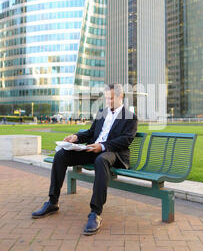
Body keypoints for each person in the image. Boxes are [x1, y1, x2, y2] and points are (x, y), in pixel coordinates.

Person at [32, 83, 138, 236]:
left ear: (121, 97)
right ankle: (52, 202)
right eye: (107, 98)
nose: (108, 101)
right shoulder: (102, 113)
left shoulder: (130, 117)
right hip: (92, 149)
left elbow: (126, 140)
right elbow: (90, 132)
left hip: (113, 153)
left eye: (112, 98)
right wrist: (75, 137)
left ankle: (95, 213)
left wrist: (101, 146)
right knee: (61, 154)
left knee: (101, 160)